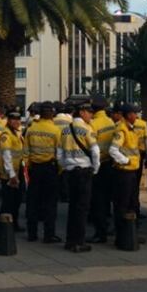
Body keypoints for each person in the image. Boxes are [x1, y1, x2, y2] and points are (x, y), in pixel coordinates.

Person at [59, 101, 100, 252]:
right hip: (84, 171)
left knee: (72, 207)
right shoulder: (86, 129)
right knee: (82, 208)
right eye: (89, 112)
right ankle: (79, 241)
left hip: (70, 171)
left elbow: (59, 153)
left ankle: (70, 241)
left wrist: (65, 165)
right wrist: (95, 168)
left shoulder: (65, 130)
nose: (91, 115)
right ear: (82, 112)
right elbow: (95, 151)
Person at [24, 102, 62, 243]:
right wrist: (60, 169)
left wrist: (27, 166)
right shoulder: (55, 130)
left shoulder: (31, 129)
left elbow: (26, 151)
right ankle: (48, 234)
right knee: (50, 202)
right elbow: (59, 153)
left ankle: (32, 233)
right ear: (52, 114)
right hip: (50, 168)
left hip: (34, 168)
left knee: (33, 201)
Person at [109, 103, 145, 246]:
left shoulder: (130, 128)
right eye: (134, 113)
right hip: (124, 172)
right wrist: (126, 161)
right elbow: (113, 150)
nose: (136, 116)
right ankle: (121, 235)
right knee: (122, 204)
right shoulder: (122, 129)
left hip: (131, 171)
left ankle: (131, 233)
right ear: (128, 115)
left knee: (131, 203)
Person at [88, 96, 116, 243]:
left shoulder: (92, 124)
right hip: (109, 164)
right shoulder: (110, 122)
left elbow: (92, 147)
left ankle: (100, 232)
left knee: (97, 200)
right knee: (106, 199)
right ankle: (107, 224)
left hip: (97, 166)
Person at [0, 110, 26, 231]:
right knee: (9, 200)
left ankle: (13, 223)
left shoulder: (16, 133)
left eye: (18, 119)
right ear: (8, 121)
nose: (17, 122)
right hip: (9, 173)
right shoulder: (6, 135)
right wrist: (12, 174)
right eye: (13, 119)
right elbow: (6, 155)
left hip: (17, 170)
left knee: (16, 199)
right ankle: (5, 225)